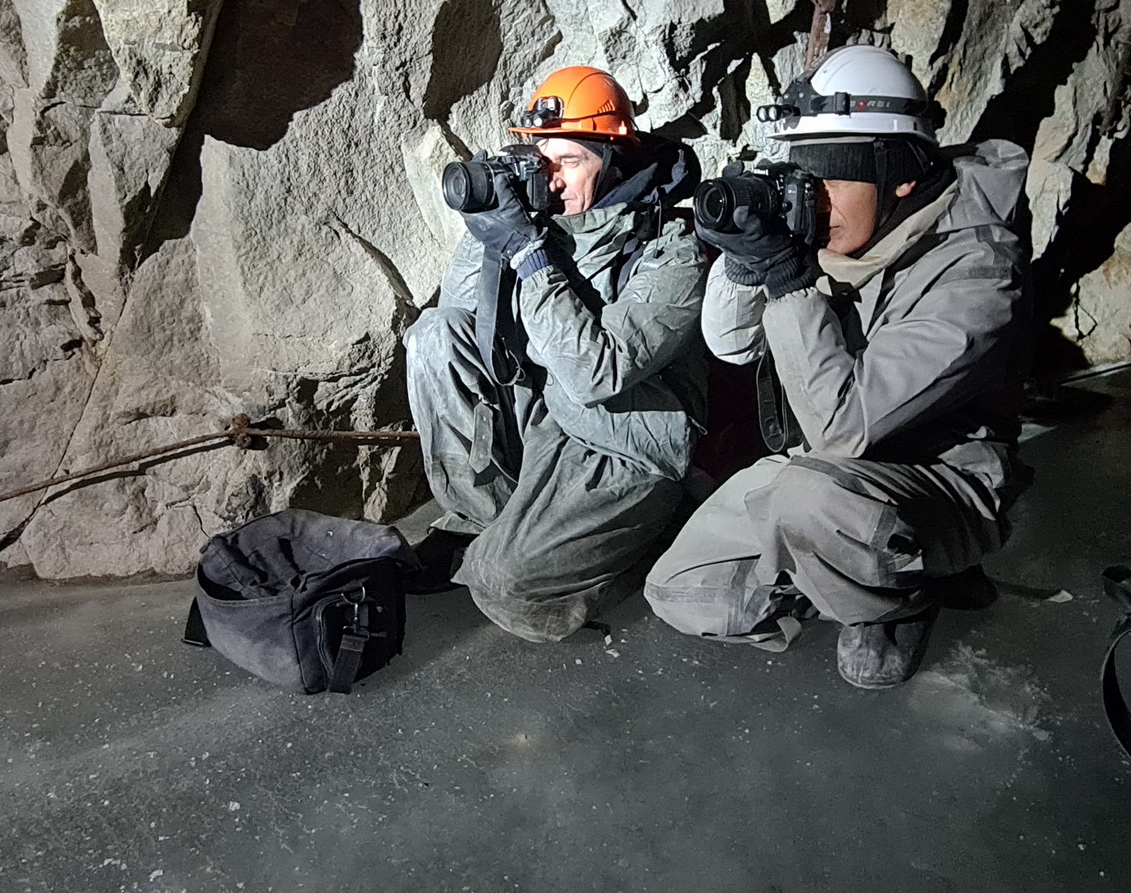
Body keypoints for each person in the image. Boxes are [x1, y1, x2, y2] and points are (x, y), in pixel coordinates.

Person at [643, 44, 1031, 688]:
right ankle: (845, 571)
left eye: (831, 180)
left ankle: (906, 592)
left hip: (939, 480)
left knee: (805, 499)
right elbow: (732, 344)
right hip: (828, 476)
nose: (814, 202)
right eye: (804, 179)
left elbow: (843, 428)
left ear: (899, 173)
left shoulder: (978, 272)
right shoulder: (845, 228)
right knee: (681, 592)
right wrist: (747, 258)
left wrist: (788, 278)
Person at [405, 66, 706, 643]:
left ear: (614, 159)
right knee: (433, 335)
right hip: (546, 416)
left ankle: (648, 541)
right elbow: (462, 315)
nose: (553, 180)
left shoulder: (671, 248)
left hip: (622, 441)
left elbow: (597, 373)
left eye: (569, 162)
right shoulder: (546, 222)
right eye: (542, 162)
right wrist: (487, 229)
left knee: (501, 584)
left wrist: (530, 254)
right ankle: (479, 521)